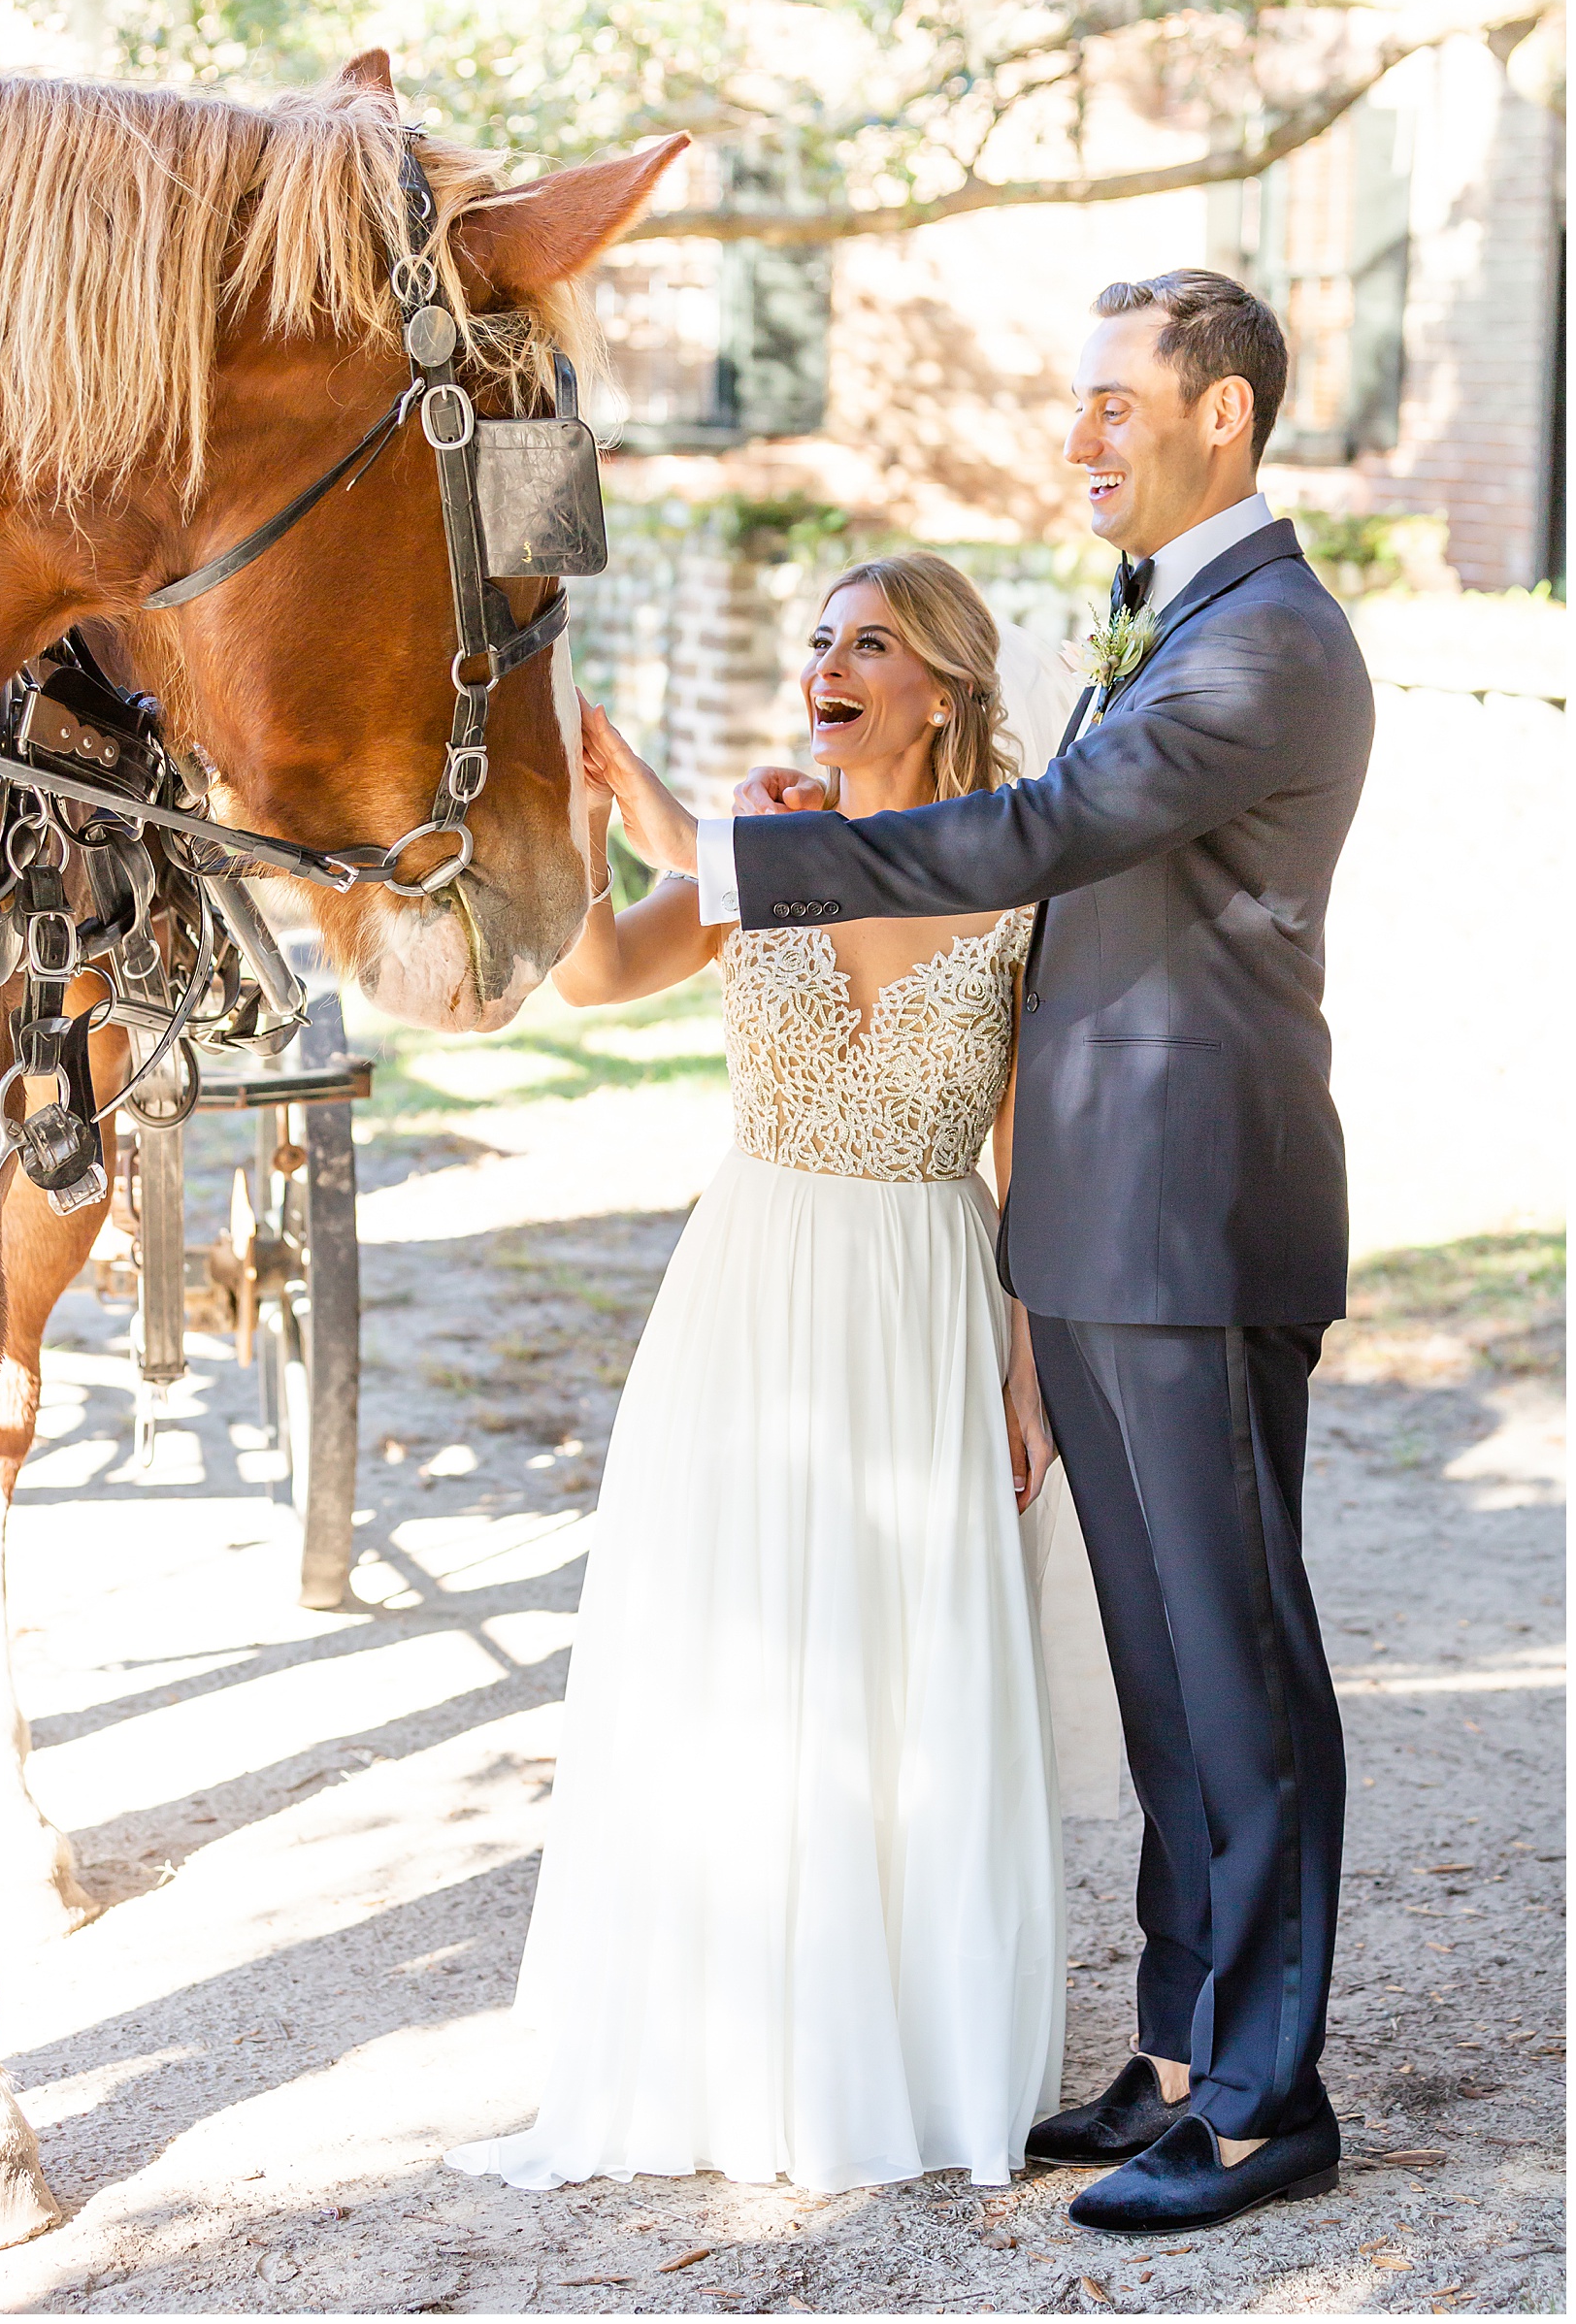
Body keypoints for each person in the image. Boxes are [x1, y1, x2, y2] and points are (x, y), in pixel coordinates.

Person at [593, 271, 1374, 2237]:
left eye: (1116, 402)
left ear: (1222, 414)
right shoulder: (1178, 622)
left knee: (1237, 1661)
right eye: (1080, 400)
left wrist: (731, 852)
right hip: (1100, 1221)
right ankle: (1187, 2048)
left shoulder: (1262, 641)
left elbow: (1038, 835)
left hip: (1191, 1214)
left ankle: (1269, 2099)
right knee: (1167, 1666)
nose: (1082, 433)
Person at [445, 553, 1089, 2194]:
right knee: (740, 1662)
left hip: (928, 1293)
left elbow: (1028, 1155)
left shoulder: (1020, 876)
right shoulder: (766, 851)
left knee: (907, 1672)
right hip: (751, 1296)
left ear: (941, 687)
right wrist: (595, 830)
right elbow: (592, 977)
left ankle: (913, 2052)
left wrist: (1026, 1374)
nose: (833, 660)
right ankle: (737, 2047)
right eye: (822, 638)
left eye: (872, 640)